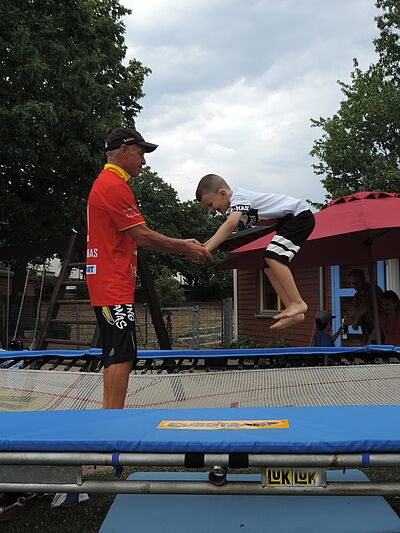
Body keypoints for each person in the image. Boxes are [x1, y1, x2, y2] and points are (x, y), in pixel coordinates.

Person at [86, 127, 211, 409]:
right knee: (121, 354)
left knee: (118, 352)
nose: (144, 161)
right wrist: (185, 246)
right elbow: (142, 235)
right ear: (123, 151)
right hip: (111, 283)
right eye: (141, 153)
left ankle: (110, 415)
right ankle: (112, 419)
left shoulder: (110, 183)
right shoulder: (113, 185)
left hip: (111, 280)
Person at [195, 174, 315, 329]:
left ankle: (298, 302)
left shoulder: (239, 197)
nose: (211, 210)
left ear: (223, 194)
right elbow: (226, 230)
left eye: (210, 204)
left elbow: (230, 225)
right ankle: (295, 312)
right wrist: (203, 247)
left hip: (299, 217)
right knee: (268, 267)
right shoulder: (235, 206)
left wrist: (205, 250)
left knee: (274, 258)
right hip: (286, 222)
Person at [347, 268, 383, 344]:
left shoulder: (373, 290)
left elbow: (367, 303)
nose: (355, 286)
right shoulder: (356, 297)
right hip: (366, 334)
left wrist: (353, 318)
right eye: (352, 283)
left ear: (363, 279)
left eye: (357, 282)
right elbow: (358, 319)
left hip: (381, 333)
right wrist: (356, 323)